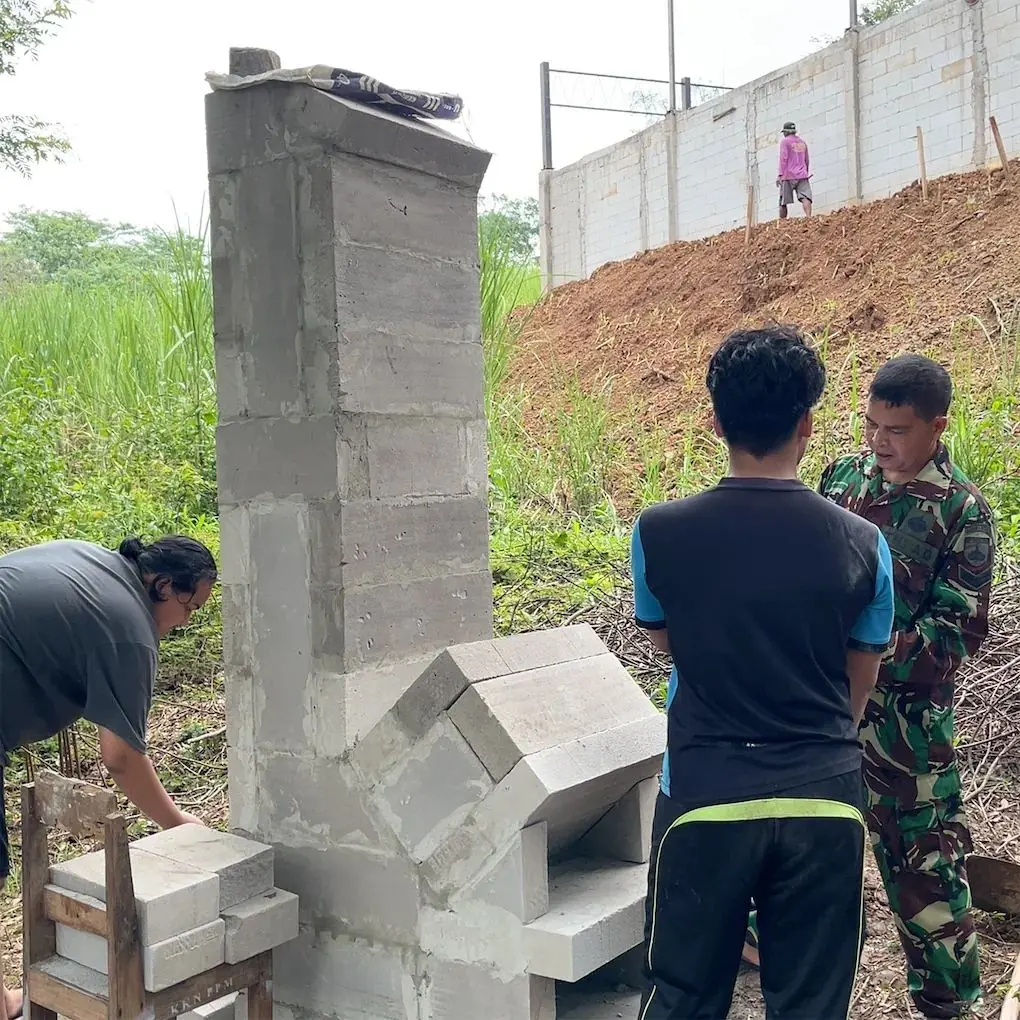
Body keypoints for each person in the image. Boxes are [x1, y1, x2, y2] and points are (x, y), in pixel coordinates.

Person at [632, 325, 894, 1019]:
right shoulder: (863, 542)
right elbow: (857, 683)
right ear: (808, 423)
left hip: (703, 791)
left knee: (684, 994)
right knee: (811, 1003)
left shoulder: (657, 531)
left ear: (715, 420)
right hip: (824, 797)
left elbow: (668, 646)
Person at [819, 355, 994, 1018]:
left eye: (895, 429)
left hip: (904, 734)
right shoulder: (840, 478)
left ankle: (948, 1002)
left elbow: (954, 639)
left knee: (926, 874)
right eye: (870, 424)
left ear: (936, 427)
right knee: (796, 854)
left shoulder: (962, 514)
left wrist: (861, 645)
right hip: (823, 714)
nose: (878, 442)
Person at [0, 534, 218, 1020]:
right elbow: (119, 757)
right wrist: (178, 823)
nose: (186, 621)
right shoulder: (128, 628)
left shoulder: (91, 560)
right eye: (189, 606)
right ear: (162, 585)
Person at [778, 121, 812, 219]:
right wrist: (806, 172)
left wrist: (780, 175)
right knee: (806, 197)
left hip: (788, 175)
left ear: (786, 132)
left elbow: (783, 158)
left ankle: (782, 221)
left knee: (783, 202)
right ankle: (809, 217)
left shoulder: (785, 142)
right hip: (802, 175)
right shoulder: (802, 142)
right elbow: (807, 159)